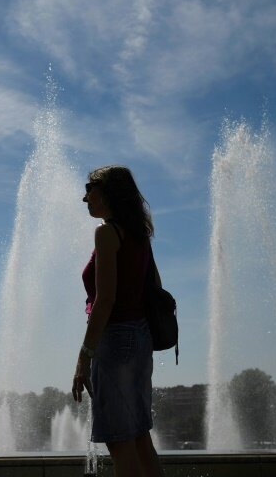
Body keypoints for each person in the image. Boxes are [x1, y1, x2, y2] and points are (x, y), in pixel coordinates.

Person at [72, 165, 164, 477]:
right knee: (139, 437)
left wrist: (83, 357)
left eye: (89, 189)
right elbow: (152, 288)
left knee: (119, 442)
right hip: (140, 339)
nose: (84, 197)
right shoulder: (140, 237)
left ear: (108, 192)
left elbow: (105, 300)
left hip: (115, 342)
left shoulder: (107, 233)